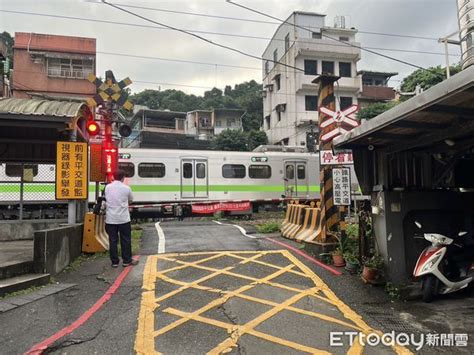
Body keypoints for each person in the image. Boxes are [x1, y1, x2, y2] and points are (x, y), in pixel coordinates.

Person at [104, 170, 138, 268]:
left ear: (113, 177)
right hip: (123, 219)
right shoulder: (126, 188)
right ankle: (126, 260)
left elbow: (106, 198)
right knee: (126, 240)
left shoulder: (108, 187)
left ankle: (114, 262)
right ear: (123, 178)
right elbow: (131, 200)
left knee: (113, 240)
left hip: (110, 219)